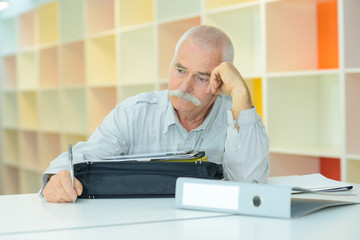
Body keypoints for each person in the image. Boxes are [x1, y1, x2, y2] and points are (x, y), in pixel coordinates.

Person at [41, 25, 270, 203]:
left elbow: (250, 184)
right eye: (180, 70)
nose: (184, 87)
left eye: (201, 77)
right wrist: (57, 179)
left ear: (219, 82)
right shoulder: (133, 114)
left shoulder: (237, 117)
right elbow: (84, 158)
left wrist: (240, 92)